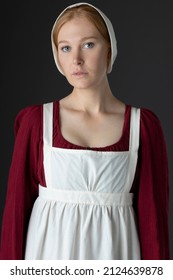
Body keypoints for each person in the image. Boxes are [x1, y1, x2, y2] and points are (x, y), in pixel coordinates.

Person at [0, 2, 170, 260]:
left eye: (89, 44)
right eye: (66, 48)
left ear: (110, 48)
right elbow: (14, 217)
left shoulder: (142, 127)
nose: (76, 59)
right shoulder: (37, 122)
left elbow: (153, 225)